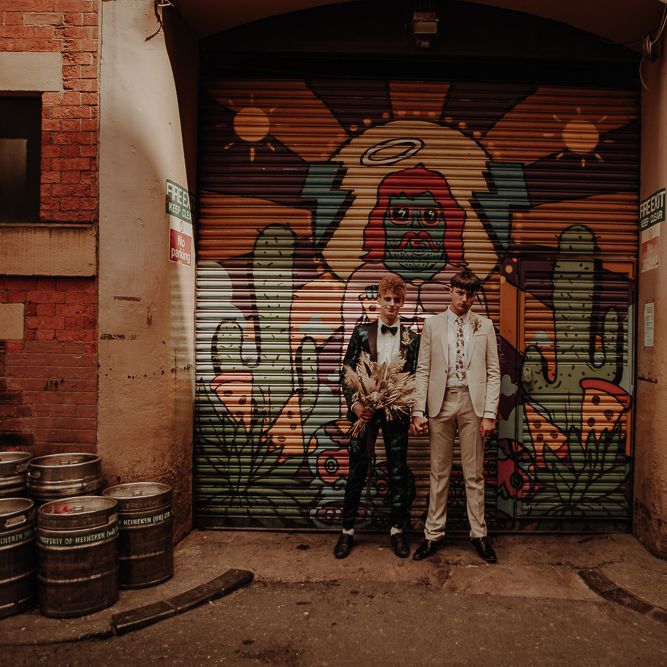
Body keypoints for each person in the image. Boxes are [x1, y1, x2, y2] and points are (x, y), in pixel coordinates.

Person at [410, 270, 500, 563]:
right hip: (441, 403)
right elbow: (423, 369)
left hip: (473, 404)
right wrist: (418, 410)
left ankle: (479, 535)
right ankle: (433, 534)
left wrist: (489, 413)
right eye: (460, 293)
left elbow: (493, 372)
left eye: (470, 294)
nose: (464, 299)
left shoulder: (485, 325)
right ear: (450, 291)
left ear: (474, 296)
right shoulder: (432, 324)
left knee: (474, 474)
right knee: (439, 473)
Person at [334, 275, 420, 559]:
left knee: (397, 471)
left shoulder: (412, 339)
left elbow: (416, 377)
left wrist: (414, 410)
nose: (392, 304)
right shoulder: (361, 332)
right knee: (357, 470)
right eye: (387, 299)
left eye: (397, 300)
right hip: (365, 413)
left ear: (403, 302)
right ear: (379, 300)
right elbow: (346, 370)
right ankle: (347, 531)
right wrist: (356, 405)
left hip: (397, 413)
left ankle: (397, 531)